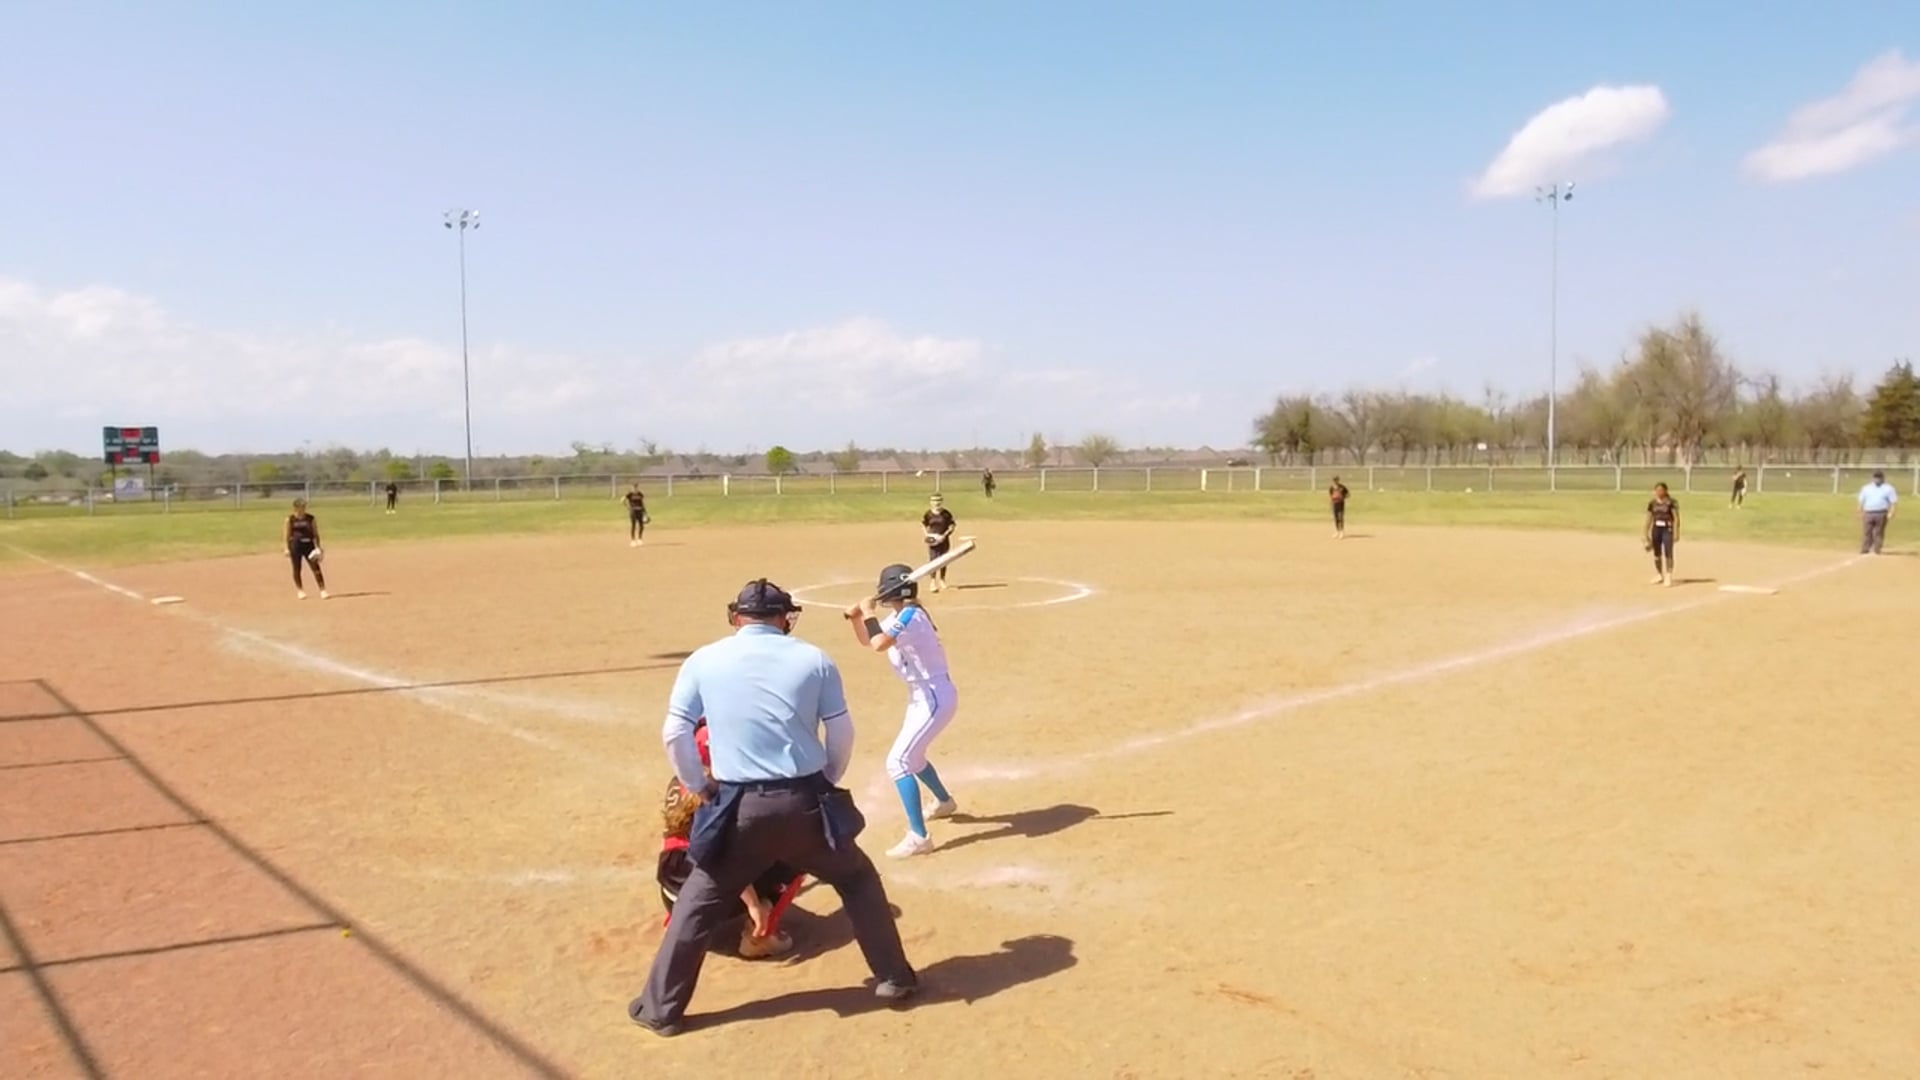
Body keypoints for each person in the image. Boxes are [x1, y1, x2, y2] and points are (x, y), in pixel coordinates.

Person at [629, 579, 918, 1038]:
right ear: (786, 619)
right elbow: (841, 733)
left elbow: (675, 732)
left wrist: (699, 785)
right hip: (804, 802)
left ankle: (661, 1010)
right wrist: (824, 781)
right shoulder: (814, 658)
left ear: (736, 617)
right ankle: (894, 978)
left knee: (697, 903)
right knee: (857, 879)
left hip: (736, 806)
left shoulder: (704, 659)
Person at [846, 563, 959, 859]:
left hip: (933, 696)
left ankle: (919, 837)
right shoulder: (900, 615)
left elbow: (880, 643)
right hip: (922, 696)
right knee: (914, 757)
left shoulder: (911, 615)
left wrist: (868, 612)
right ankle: (944, 801)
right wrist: (857, 618)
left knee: (898, 762)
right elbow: (869, 639)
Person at [657, 721, 797, 960]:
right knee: (795, 854)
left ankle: (680, 923)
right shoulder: (721, 794)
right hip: (707, 897)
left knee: (688, 850)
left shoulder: (679, 780)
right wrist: (754, 904)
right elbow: (725, 860)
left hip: (671, 893)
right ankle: (759, 940)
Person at [284, 497, 329, 600]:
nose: (303, 509)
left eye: (304, 507)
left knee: (315, 568)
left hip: (309, 545)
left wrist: (318, 547)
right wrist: (286, 548)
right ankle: (300, 590)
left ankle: (322, 590)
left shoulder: (310, 518)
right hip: (295, 545)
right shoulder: (290, 519)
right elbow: (287, 535)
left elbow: (316, 534)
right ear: (295, 508)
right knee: (297, 568)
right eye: (301, 507)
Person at [1643, 482, 1680, 587]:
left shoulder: (1671, 503)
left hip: (1667, 529)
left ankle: (1668, 575)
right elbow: (1649, 518)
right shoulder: (1652, 503)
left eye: (1661, 490)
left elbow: (1676, 518)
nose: (1659, 492)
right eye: (1657, 490)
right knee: (1657, 553)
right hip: (1656, 529)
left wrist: (1676, 532)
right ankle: (1659, 574)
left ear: (1665, 491)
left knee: (1668, 552)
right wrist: (1645, 533)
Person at [920, 493, 957, 592]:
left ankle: (942, 580)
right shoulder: (928, 514)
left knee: (944, 560)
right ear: (931, 502)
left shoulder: (946, 514)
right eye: (934, 501)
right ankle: (932, 582)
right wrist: (927, 535)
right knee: (933, 560)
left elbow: (952, 526)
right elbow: (924, 524)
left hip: (944, 540)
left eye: (938, 501)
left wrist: (944, 535)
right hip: (933, 541)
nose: (936, 503)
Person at [1858, 469, 1898, 555]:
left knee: (1878, 532)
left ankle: (1877, 548)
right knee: (1867, 531)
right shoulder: (1866, 488)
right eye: (1876, 477)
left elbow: (1893, 502)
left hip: (1881, 513)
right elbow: (1861, 500)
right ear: (1872, 478)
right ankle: (1865, 548)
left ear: (1883, 478)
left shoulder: (1888, 488)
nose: (1877, 479)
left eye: (1879, 477)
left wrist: (1892, 512)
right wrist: (1860, 511)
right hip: (1868, 512)